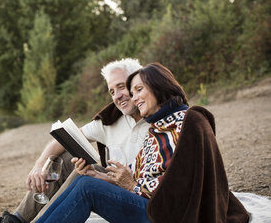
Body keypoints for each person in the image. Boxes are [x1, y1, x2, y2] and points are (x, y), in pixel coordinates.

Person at [34, 63, 249, 223]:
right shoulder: (157, 128)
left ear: (157, 86)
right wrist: (100, 176)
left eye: (139, 90)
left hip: (168, 215)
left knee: (88, 189)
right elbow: (142, 177)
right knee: (85, 182)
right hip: (150, 205)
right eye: (133, 91)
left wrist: (132, 185)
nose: (134, 97)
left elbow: (183, 186)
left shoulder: (189, 120)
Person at [0, 58, 149, 223]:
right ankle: (16, 220)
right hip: (113, 182)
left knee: (86, 183)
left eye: (121, 86)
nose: (117, 96)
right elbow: (62, 140)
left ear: (138, 83)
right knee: (70, 160)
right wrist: (39, 165)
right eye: (112, 91)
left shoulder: (159, 120)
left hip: (135, 192)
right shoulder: (111, 120)